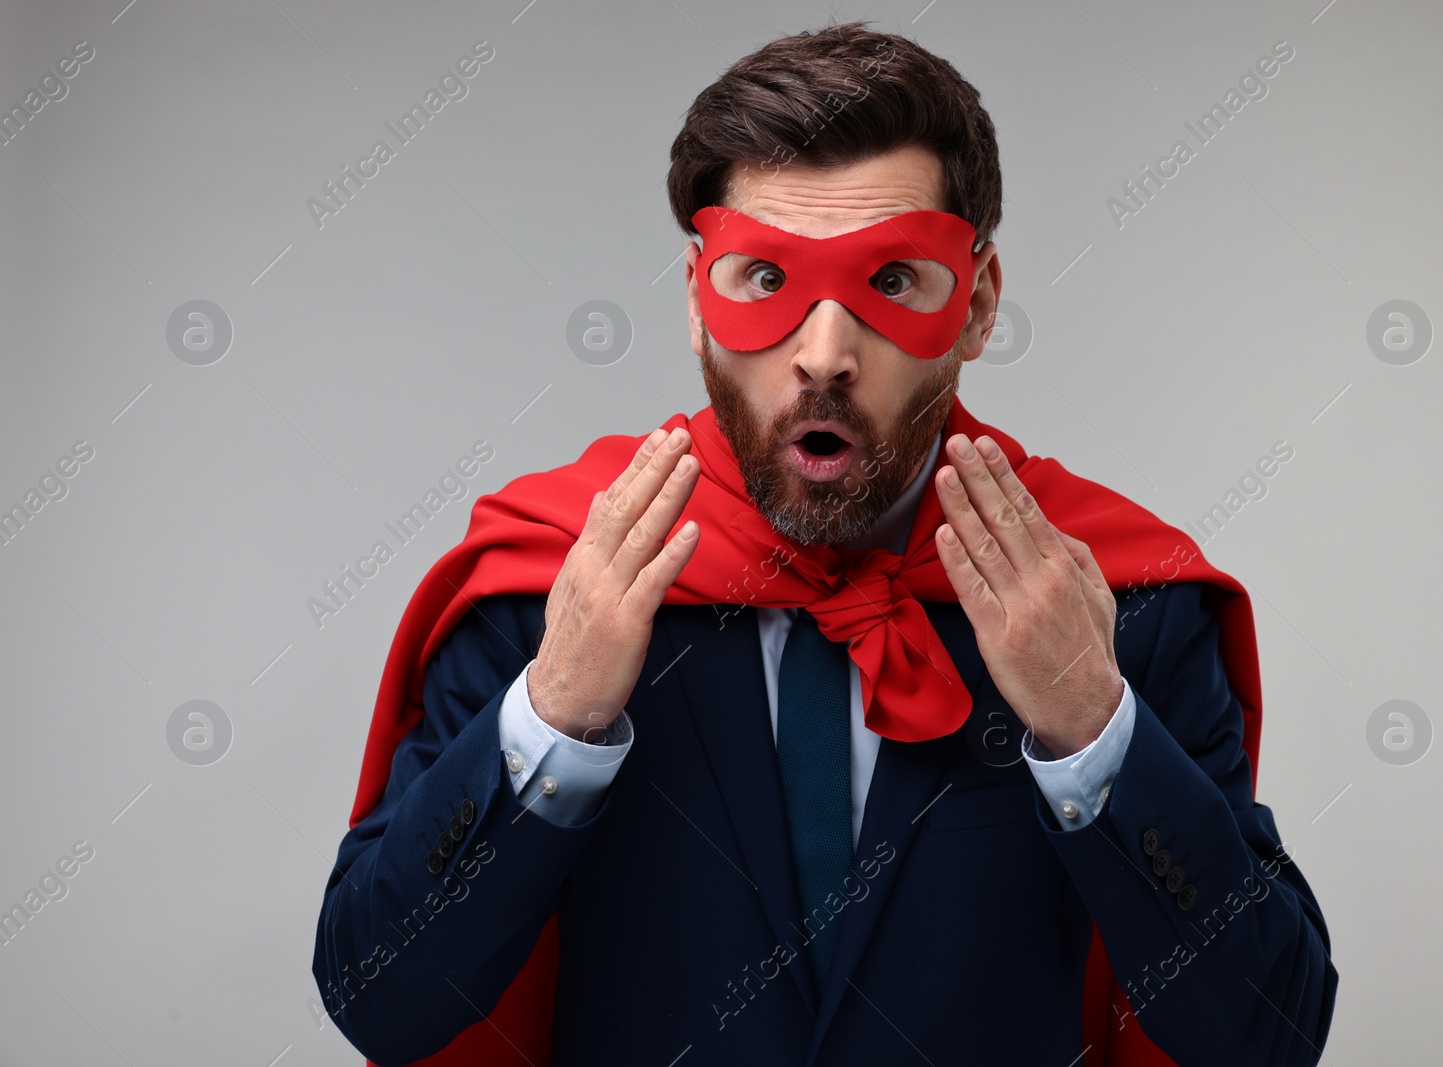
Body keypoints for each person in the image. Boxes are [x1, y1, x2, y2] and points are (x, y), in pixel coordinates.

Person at [312, 22, 1336, 1067]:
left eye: (892, 281)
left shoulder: (1117, 606)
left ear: (976, 302)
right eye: (765, 280)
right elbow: (380, 998)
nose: (824, 354)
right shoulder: (550, 592)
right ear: (696, 303)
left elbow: (1270, 1036)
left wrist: (1092, 728)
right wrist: (553, 715)